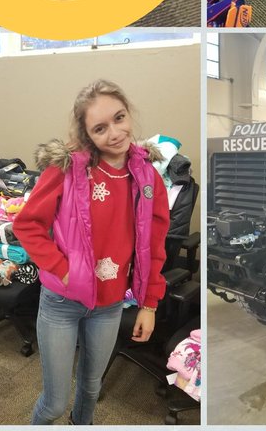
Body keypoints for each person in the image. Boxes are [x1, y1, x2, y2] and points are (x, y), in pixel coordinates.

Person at [13, 80, 170, 426]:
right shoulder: (68, 169)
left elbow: (154, 245)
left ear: (129, 114)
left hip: (109, 305)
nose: (114, 133)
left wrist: (149, 304)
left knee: (90, 389)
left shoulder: (147, 179)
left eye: (119, 118)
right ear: (86, 134)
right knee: (54, 404)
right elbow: (27, 225)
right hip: (61, 303)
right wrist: (64, 270)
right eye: (100, 128)